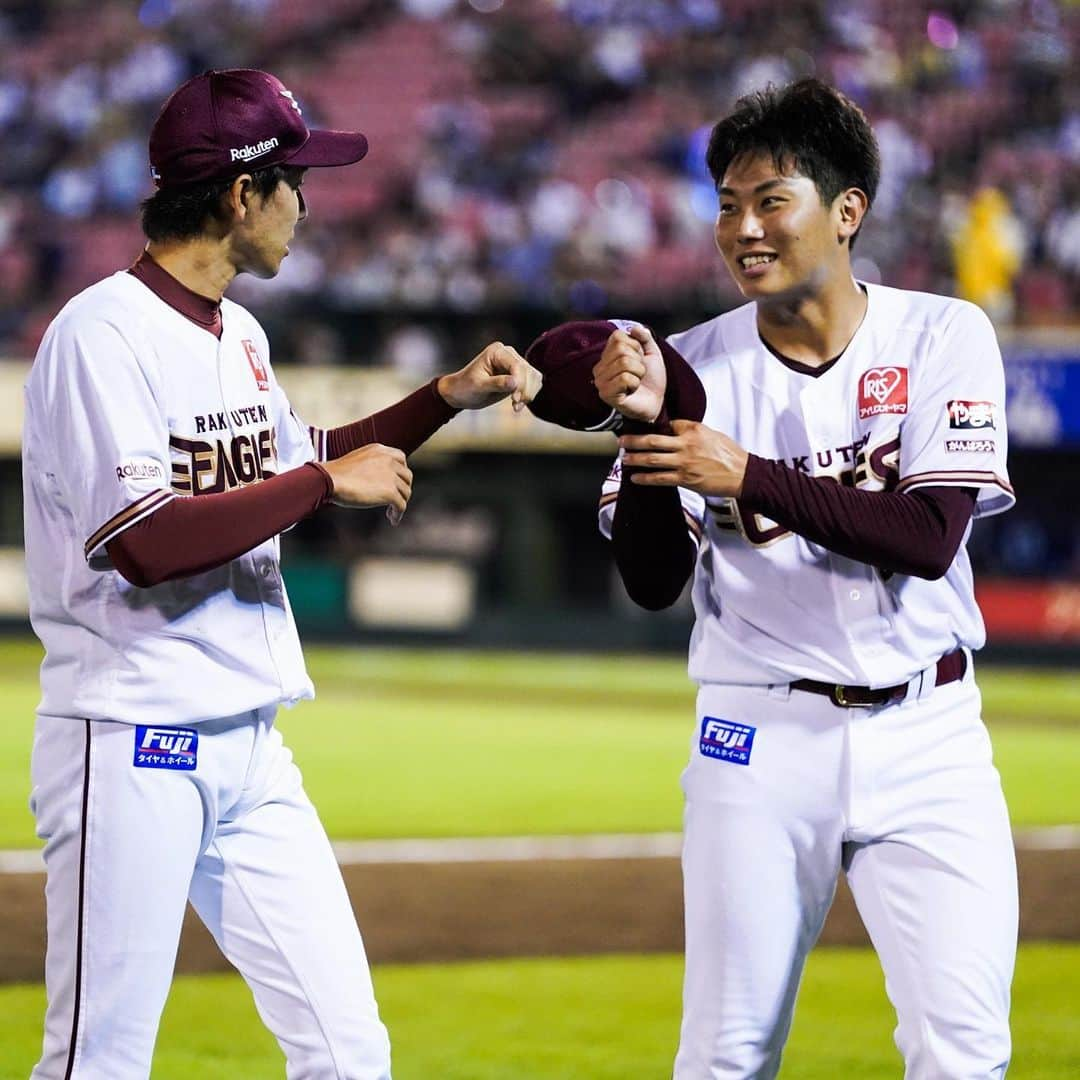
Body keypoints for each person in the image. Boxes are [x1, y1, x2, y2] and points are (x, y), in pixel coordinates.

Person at [22, 68, 537, 1080]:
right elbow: (147, 538)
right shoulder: (101, 333)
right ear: (239, 195)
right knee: (99, 1061)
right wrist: (318, 485)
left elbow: (309, 458)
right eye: (294, 179)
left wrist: (444, 398)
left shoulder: (240, 334)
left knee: (349, 1053)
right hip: (134, 735)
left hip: (251, 745)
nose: (308, 203)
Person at [592, 79, 1017, 1078]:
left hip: (930, 735)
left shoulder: (944, 336)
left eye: (771, 200)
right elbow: (653, 580)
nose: (743, 228)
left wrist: (744, 472)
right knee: (727, 1054)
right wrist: (650, 430)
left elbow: (924, 535)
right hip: (757, 736)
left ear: (847, 211)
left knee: (965, 1052)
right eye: (728, 205)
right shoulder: (688, 366)